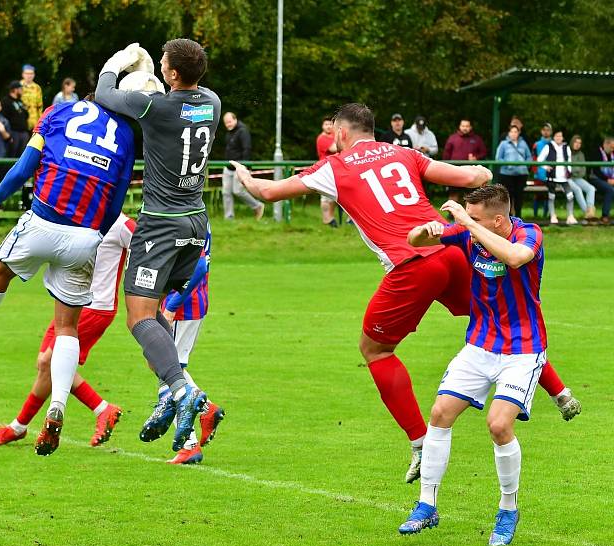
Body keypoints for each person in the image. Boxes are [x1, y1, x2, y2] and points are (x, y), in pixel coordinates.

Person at [231, 103, 580, 483]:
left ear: (343, 134)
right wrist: (478, 173)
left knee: (375, 349)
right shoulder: (403, 152)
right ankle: (560, 392)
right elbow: (474, 174)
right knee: (498, 321)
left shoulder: (336, 165)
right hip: (449, 251)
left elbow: (267, 192)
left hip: (412, 264)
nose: (333, 141)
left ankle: (419, 442)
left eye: (334, 135)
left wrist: (245, 176)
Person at [0, 89, 136, 456]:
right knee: (66, 328)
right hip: (85, 236)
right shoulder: (124, 134)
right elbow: (119, 196)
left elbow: (25, 165)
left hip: (45, 218)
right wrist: (96, 232)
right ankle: (58, 406)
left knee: (1, 271)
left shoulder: (58, 112)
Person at [401, 185, 547, 546]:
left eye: (476, 217)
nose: (466, 222)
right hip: (479, 345)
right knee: (439, 413)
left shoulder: (529, 234)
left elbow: (514, 257)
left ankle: (508, 509)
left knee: (498, 425)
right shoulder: (470, 230)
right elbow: (414, 239)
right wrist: (429, 230)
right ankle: (427, 505)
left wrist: (467, 222)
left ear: (500, 219)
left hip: (523, 350)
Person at [95, 39, 221, 452]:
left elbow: (105, 95)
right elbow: (184, 104)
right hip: (195, 221)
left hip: (161, 225)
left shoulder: (156, 107)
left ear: (171, 74)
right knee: (158, 319)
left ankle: (182, 392)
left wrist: (118, 61)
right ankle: (174, 391)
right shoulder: (213, 103)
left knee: (137, 318)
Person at [0, 213, 135, 447]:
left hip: (95, 306)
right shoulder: (79, 216)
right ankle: (103, 409)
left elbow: (150, 248)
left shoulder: (122, 223)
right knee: (47, 364)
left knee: (49, 363)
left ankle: (18, 427)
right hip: (70, 301)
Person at [159, 228, 225, 464]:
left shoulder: (185, 213)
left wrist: (171, 307)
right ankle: (206, 410)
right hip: (193, 301)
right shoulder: (196, 210)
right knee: (171, 369)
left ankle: (189, 445)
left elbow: (198, 266)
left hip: (183, 305)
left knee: (168, 372)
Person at [222, 112, 264, 220]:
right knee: (226, 192)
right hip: (227, 167)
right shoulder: (229, 133)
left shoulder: (243, 131)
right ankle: (229, 218)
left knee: (238, 191)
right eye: (226, 123)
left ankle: (258, 206)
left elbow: (247, 149)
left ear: (235, 119)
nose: (228, 125)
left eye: (230, 122)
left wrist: (243, 167)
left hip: (239, 167)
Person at [0, 81, 32, 209]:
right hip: (13, 133)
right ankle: (9, 183)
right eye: (20, 89)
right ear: (14, 89)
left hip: (23, 133)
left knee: (23, 159)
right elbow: (5, 118)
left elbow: (25, 115)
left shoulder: (20, 102)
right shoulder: (6, 102)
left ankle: (21, 184)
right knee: (12, 159)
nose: (22, 91)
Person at [442, 119, 487, 202]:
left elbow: (484, 152)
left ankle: (469, 214)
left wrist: (476, 158)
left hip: (470, 172)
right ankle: (451, 214)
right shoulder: (452, 138)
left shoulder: (477, 139)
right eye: (463, 126)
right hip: (454, 171)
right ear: (459, 127)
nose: (465, 128)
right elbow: (446, 155)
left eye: (467, 126)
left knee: (470, 196)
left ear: (470, 127)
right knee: (453, 195)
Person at [536, 129, 575, 225]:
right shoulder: (548, 146)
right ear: (554, 137)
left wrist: (569, 172)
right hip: (552, 177)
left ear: (562, 138)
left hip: (564, 177)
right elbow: (539, 160)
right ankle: (553, 215)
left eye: (560, 136)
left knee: (570, 195)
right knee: (551, 196)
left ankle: (570, 216)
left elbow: (569, 161)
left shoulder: (567, 147)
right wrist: (546, 167)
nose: (558, 138)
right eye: (557, 136)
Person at [495, 124, 531, 217]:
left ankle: (519, 216)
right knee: (508, 195)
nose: (514, 134)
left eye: (516, 132)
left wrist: (525, 166)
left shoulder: (523, 143)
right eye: (512, 132)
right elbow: (498, 158)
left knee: (519, 195)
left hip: (521, 174)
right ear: (509, 133)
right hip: (507, 174)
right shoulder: (503, 144)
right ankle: (509, 216)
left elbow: (528, 157)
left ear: (519, 133)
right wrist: (508, 164)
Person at [567, 135, 597, 222]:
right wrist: (575, 169)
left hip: (577, 178)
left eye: (579, 143)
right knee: (578, 190)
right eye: (576, 142)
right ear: (572, 142)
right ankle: (587, 213)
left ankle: (590, 210)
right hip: (567, 178)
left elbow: (582, 170)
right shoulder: (566, 152)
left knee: (591, 188)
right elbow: (568, 169)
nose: (577, 144)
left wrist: (573, 170)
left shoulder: (581, 154)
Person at [317, 117, 339, 227]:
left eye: (330, 124)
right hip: (324, 169)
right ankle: (327, 219)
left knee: (333, 195)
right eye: (326, 124)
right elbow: (334, 148)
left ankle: (331, 218)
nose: (329, 126)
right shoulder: (322, 138)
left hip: (334, 169)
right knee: (325, 196)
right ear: (323, 126)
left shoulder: (333, 136)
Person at [589, 137, 614, 225]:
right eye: (611, 147)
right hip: (595, 178)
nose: (612, 150)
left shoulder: (612, 154)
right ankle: (605, 215)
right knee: (610, 189)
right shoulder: (596, 153)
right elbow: (596, 171)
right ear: (605, 145)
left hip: (609, 179)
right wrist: (607, 180)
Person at [20, 64, 43, 130]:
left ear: (34, 75)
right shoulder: (19, 86)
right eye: (27, 73)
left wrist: (40, 121)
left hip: (35, 121)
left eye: (31, 73)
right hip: (22, 120)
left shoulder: (37, 88)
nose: (29, 76)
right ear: (23, 74)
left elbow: (40, 105)